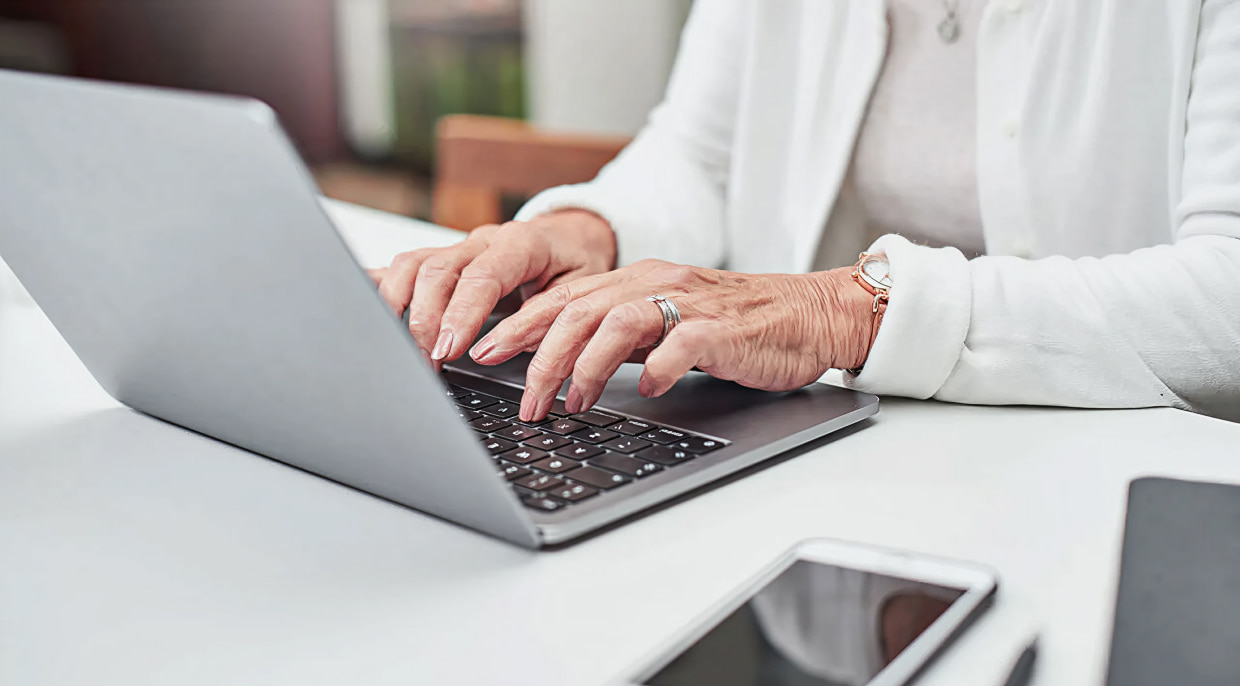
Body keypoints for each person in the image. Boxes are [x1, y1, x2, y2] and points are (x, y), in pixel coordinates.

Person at [370, 0, 1240, 424]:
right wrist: (586, 232)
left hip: (1110, 489)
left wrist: (841, 313)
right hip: (812, 464)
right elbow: (702, 155)